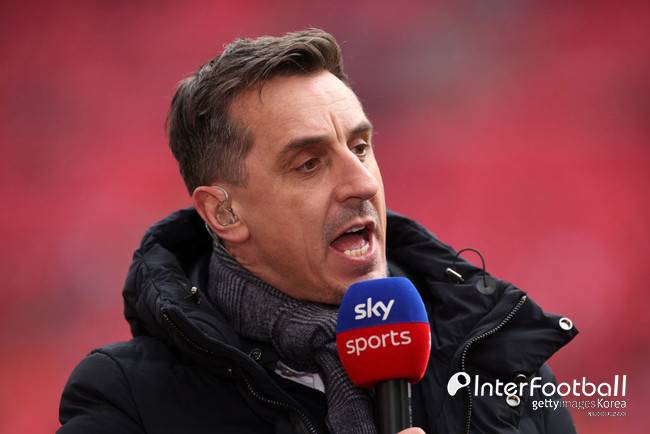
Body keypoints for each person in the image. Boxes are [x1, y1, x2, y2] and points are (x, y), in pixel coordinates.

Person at [58, 29, 578, 434]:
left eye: (360, 147)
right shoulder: (129, 401)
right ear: (225, 213)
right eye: (308, 164)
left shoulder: (500, 367)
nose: (361, 183)